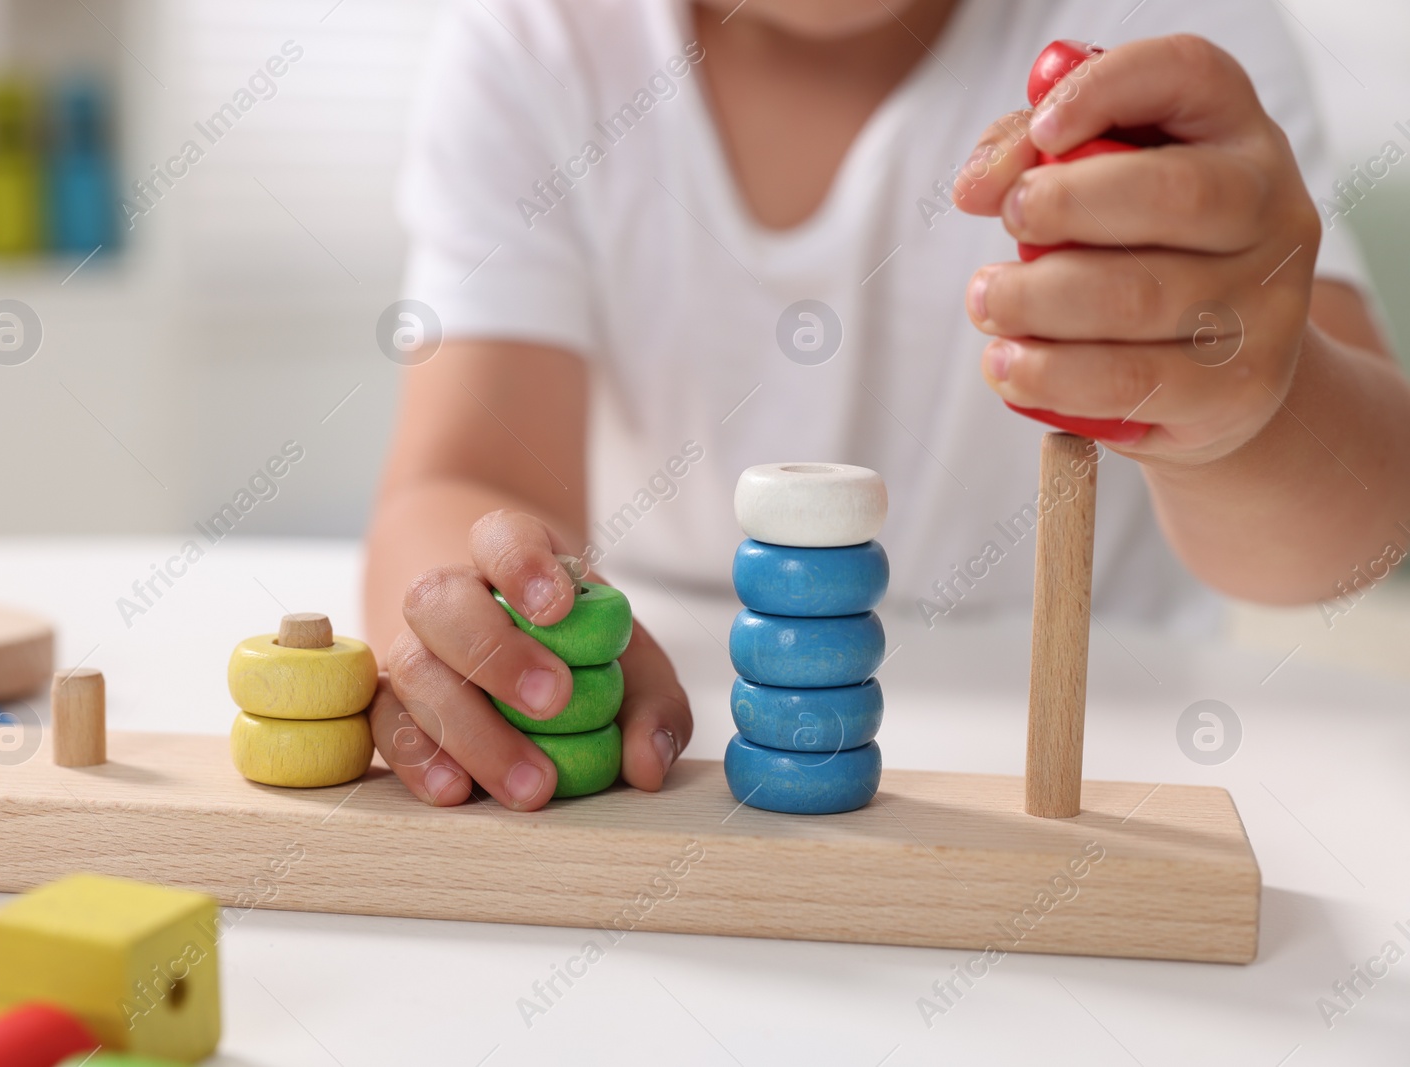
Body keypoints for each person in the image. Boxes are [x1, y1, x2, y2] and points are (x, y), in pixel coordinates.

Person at [362, 0, 1410, 810]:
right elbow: (464, 476)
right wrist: (478, 623)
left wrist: (1243, 413)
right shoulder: (535, 41)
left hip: (1120, 748)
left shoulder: (1167, 39)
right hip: (677, 734)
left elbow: (1361, 530)